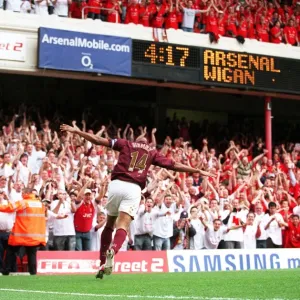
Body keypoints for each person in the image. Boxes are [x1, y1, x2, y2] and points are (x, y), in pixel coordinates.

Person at [60, 123, 214, 279]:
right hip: (134, 188)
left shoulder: (125, 143)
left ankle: (101, 262)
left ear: (136, 140)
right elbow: (174, 165)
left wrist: (77, 131)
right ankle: (113, 249)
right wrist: (196, 170)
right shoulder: (152, 153)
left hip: (116, 185)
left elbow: (98, 140)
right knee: (123, 225)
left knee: (109, 224)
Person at [0, 188, 46, 275]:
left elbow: (8, 208)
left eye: (22, 193)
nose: (21, 194)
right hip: (35, 235)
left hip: (22, 234)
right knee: (31, 254)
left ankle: (7, 270)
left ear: (26, 193)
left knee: (11, 251)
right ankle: (33, 272)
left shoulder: (23, 202)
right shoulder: (40, 204)